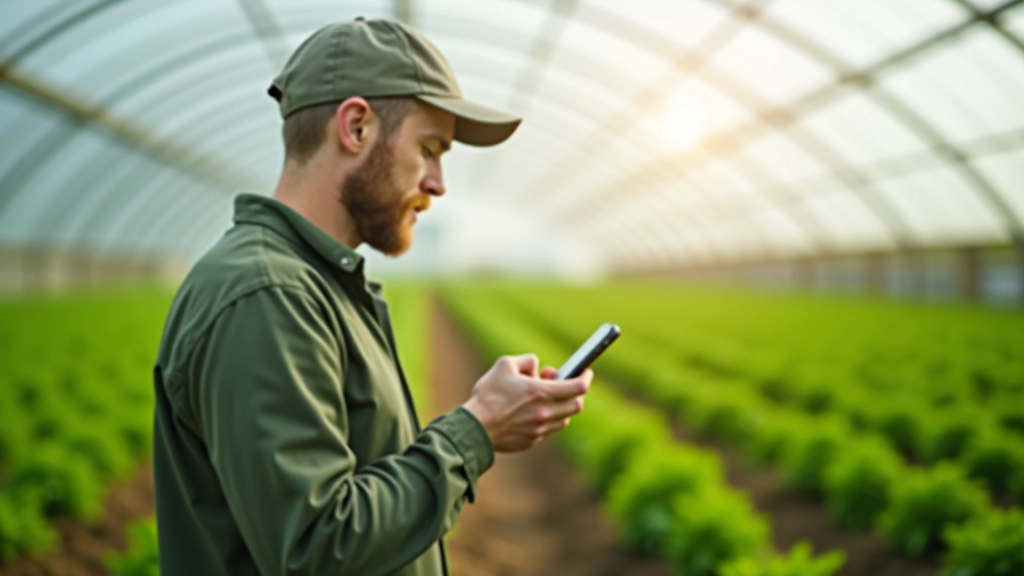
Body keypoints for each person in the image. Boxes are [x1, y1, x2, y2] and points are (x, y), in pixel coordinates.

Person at [151, 17, 593, 576]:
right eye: (429, 149)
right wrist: (476, 429)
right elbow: (316, 548)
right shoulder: (269, 295)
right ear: (356, 127)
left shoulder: (317, 285)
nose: (438, 182)